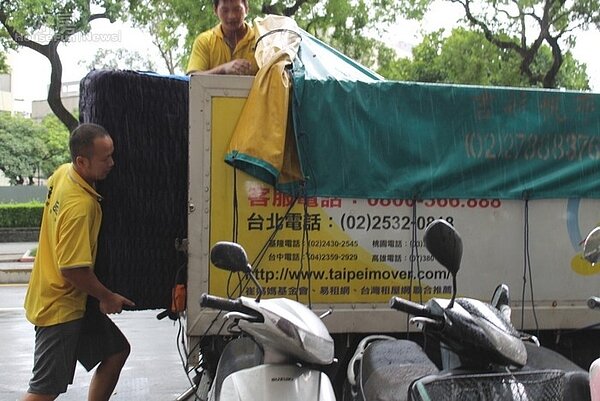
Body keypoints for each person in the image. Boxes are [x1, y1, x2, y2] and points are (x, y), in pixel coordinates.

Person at [22, 123, 135, 401]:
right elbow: (72, 269)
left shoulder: (63, 174)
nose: (112, 163)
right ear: (81, 161)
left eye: (111, 155)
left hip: (71, 301)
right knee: (44, 391)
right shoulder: (79, 207)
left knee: (116, 351)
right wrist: (107, 297)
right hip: (60, 307)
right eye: (105, 158)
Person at [186, 0, 258, 75]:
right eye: (225, 10)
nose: (232, 16)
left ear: (246, 9)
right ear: (215, 11)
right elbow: (192, 78)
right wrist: (223, 69)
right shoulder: (205, 41)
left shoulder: (260, 40)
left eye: (237, 9)